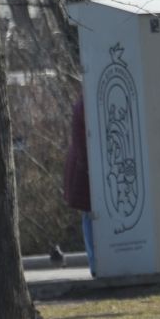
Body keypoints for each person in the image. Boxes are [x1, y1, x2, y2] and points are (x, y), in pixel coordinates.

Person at [63, 94, 94, 272]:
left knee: (88, 214)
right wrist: (86, 166)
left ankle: (94, 261)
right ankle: (94, 262)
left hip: (80, 168)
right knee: (89, 214)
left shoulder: (82, 104)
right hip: (84, 170)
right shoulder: (86, 105)